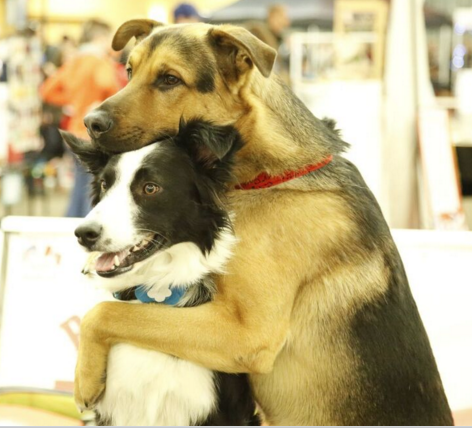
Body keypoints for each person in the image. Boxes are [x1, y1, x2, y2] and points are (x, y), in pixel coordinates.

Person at [41, 20, 121, 217]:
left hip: (74, 130)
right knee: (92, 190)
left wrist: (72, 102)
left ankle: (70, 231)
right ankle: (88, 236)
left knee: (80, 187)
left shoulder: (74, 61)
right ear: (100, 38)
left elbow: (47, 91)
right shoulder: (100, 62)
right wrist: (105, 102)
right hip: (94, 134)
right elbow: (109, 86)